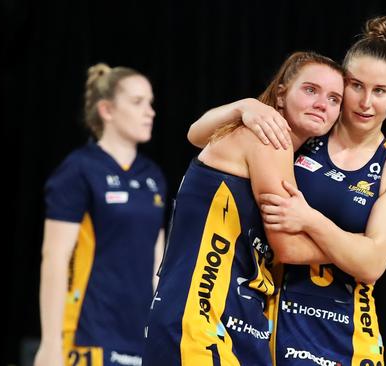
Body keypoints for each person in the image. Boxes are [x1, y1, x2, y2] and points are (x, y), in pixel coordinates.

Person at [187, 16, 386, 366]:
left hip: (346, 334)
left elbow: (372, 265)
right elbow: (199, 137)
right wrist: (245, 106)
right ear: (342, 84)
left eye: (380, 91)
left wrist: (311, 220)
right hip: (267, 323)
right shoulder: (305, 132)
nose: (366, 103)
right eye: (356, 86)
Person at [141, 51, 345, 366]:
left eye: (334, 99)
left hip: (235, 320)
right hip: (200, 318)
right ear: (281, 93)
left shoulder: (269, 141)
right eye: (310, 90)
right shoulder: (267, 138)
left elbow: (195, 134)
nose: (323, 104)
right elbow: (288, 246)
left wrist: (244, 106)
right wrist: (362, 253)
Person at [33, 63, 167, 366]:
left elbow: (158, 261)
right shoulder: (79, 169)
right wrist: (51, 344)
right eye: (137, 102)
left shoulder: (153, 176)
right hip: (89, 334)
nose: (150, 112)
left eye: (150, 103)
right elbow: (54, 258)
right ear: (107, 110)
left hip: (139, 335)